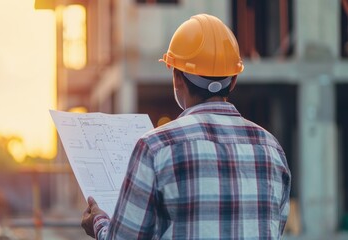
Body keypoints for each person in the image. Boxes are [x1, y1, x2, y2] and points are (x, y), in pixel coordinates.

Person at [81, 13, 291, 239]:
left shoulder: (156, 147)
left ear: (177, 78)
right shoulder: (271, 149)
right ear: (233, 80)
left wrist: (99, 223)